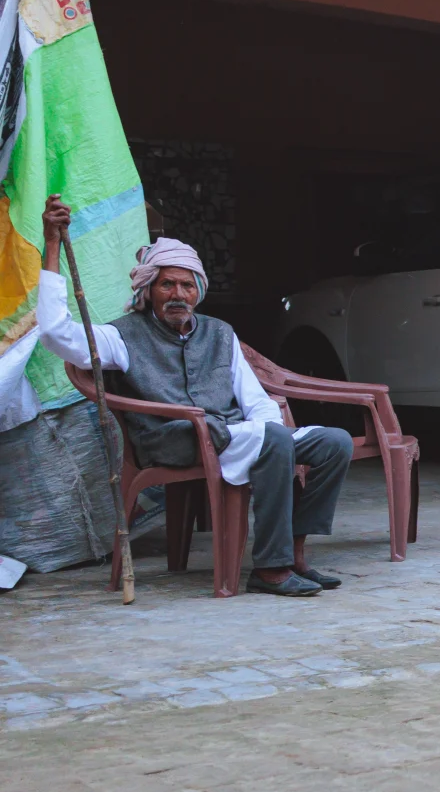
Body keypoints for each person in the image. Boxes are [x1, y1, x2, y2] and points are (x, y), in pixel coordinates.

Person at [36, 195, 354, 597]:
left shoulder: (219, 332)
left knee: (334, 442)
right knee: (272, 440)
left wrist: (264, 430)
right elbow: (54, 334)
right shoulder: (123, 335)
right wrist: (52, 245)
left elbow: (255, 399)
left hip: (232, 434)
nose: (178, 294)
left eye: (187, 285)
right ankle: (270, 569)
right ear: (149, 289)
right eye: (167, 284)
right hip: (171, 439)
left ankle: (293, 552)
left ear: (198, 290)